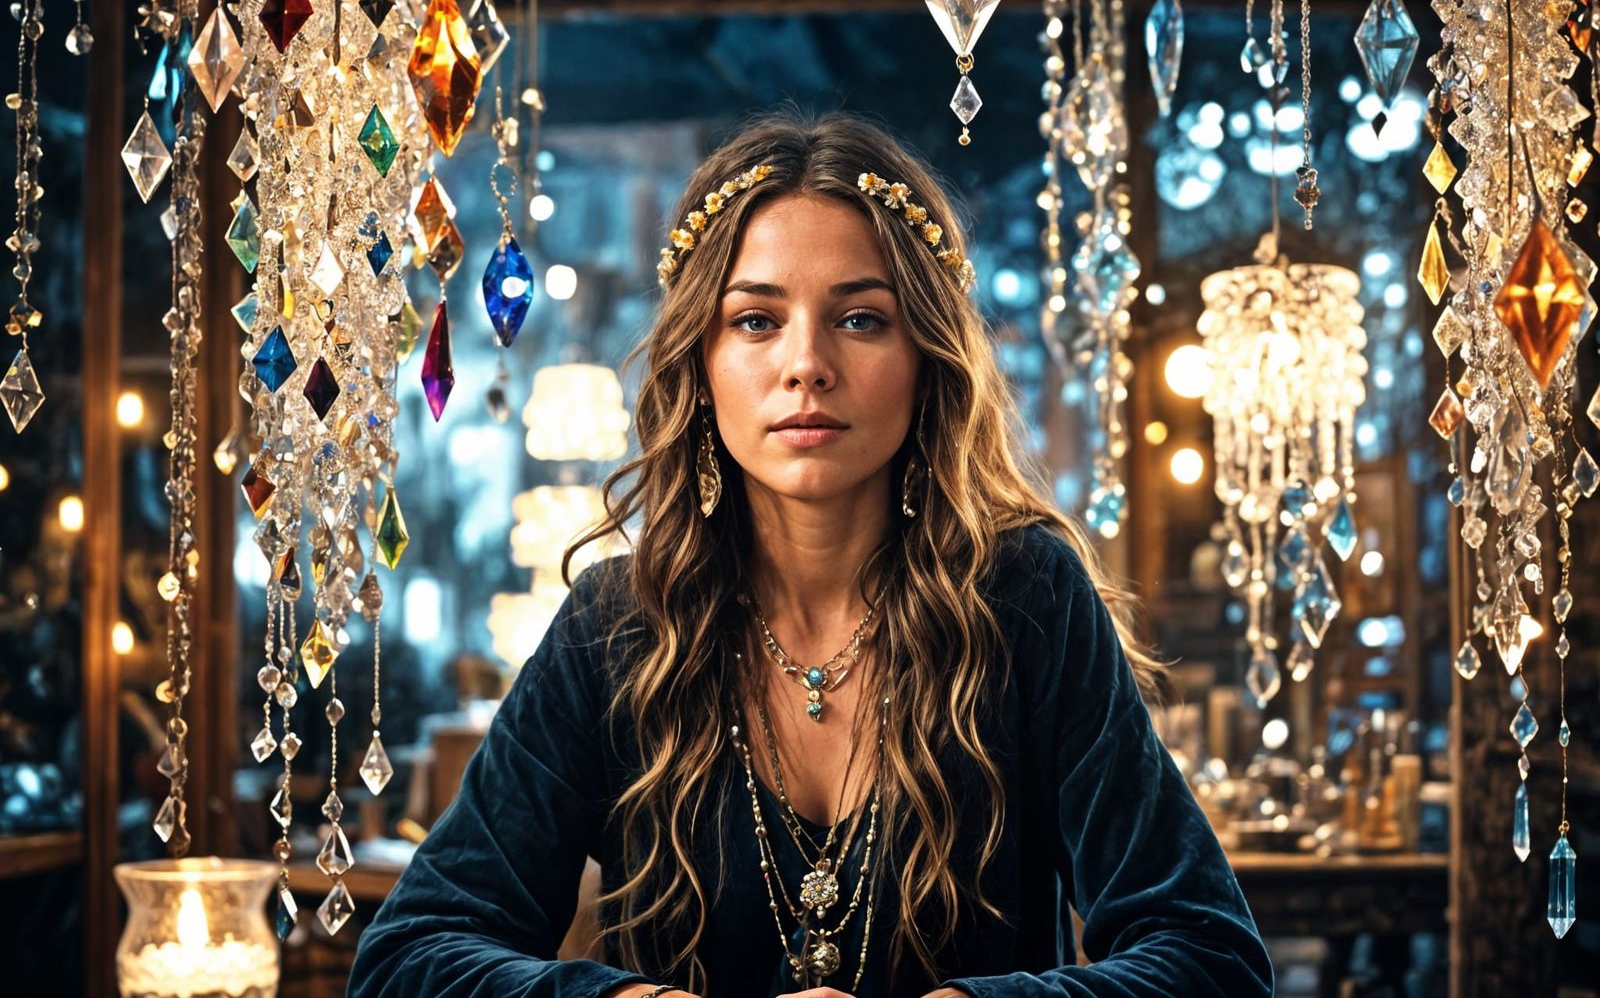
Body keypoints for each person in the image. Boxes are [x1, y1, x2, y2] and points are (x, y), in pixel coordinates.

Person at [348, 113, 1274, 998]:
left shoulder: (1025, 598)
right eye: (756, 320)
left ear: (927, 355)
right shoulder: (618, 623)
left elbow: (1209, 957)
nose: (806, 364)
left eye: (861, 319)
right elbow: (409, 959)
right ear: (700, 362)